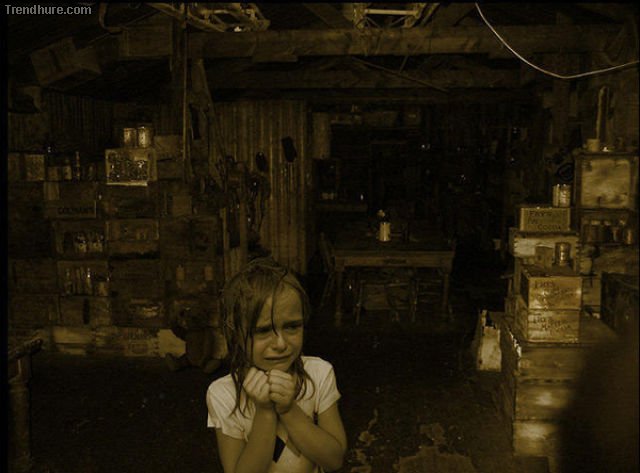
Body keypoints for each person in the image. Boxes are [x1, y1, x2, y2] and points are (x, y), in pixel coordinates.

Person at [206, 257, 347, 473]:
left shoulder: (319, 374)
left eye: (292, 327)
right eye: (263, 331)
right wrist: (265, 412)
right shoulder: (223, 394)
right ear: (235, 334)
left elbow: (334, 460)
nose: (281, 344)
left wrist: (289, 410)